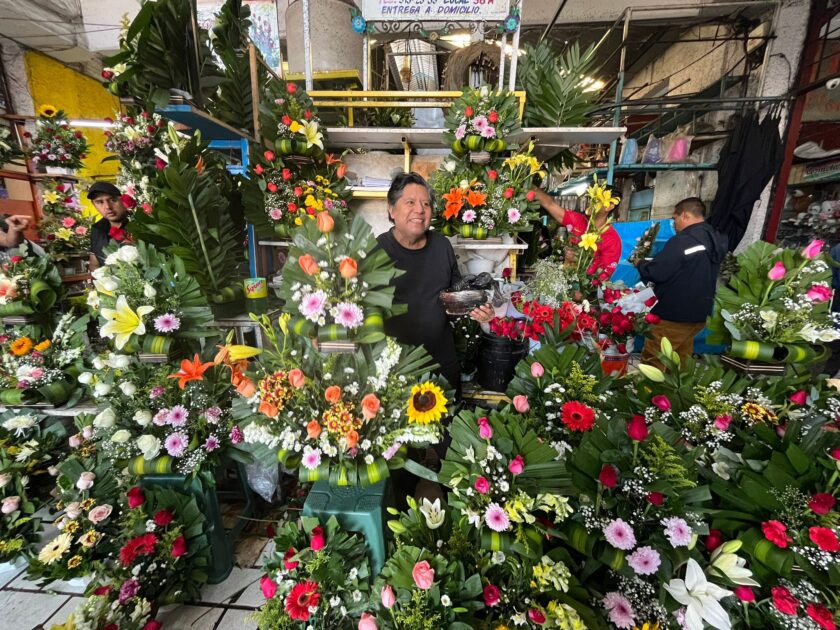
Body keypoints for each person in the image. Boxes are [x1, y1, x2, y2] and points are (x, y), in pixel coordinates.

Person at [376, 172, 494, 395]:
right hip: (394, 366)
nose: (420, 210)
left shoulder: (441, 245)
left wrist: (478, 310)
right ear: (391, 210)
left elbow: (454, 296)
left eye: (426, 204)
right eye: (410, 202)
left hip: (441, 362)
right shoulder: (376, 251)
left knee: (445, 424)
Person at [635, 197, 727, 368]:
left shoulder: (685, 240)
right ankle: (674, 393)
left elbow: (658, 272)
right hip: (698, 314)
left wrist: (640, 264)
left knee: (654, 361)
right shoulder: (714, 239)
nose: (674, 223)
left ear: (684, 215)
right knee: (680, 361)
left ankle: (648, 393)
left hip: (673, 315)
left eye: (674, 218)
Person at [531, 185, 622, 276]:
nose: (591, 202)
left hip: (587, 289)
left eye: (597, 200)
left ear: (609, 206)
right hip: (564, 281)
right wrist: (531, 186)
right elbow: (549, 204)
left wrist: (580, 260)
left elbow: (604, 275)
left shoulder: (613, 239)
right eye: (592, 198)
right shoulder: (578, 220)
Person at [87, 182, 130, 270]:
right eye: (100, 202)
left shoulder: (139, 224)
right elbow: (94, 264)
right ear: (94, 205)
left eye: (113, 200)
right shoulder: (96, 229)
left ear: (122, 200)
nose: (107, 207)